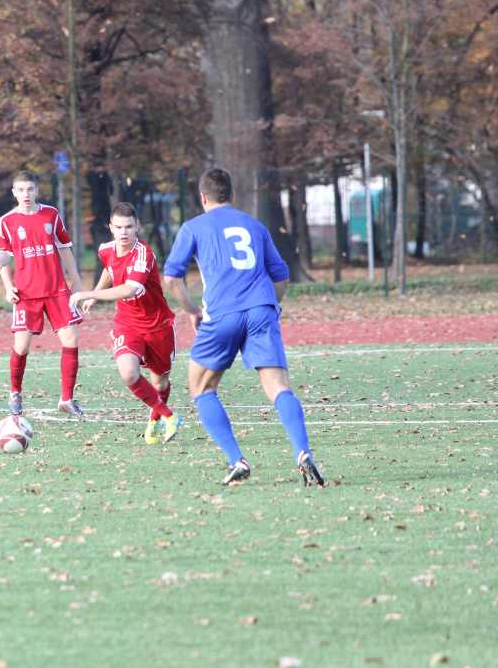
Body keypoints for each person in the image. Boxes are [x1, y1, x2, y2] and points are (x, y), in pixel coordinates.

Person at [162, 167, 324, 487]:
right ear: (231, 196)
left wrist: (193, 310)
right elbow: (281, 276)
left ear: (203, 197)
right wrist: (271, 308)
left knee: (201, 388)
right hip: (261, 310)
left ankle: (237, 460)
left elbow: (171, 279)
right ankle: (303, 452)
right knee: (279, 387)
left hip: (222, 313)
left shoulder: (193, 227)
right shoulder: (254, 225)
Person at [69, 202, 182, 444]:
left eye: (129, 227)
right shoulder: (106, 249)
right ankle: (169, 416)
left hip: (157, 324)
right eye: (118, 227)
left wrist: (89, 295)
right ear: (111, 227)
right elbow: (109, 270)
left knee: (160, 381)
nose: (124, 232)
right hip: (127, 324)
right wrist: (98, 291)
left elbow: (130, 289)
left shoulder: (144, 254)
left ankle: (154, 420)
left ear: (137, 226)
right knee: (129, 373)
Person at [0, 170, 85, 418]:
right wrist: (8, 287)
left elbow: (65, 249)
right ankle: (14, 392)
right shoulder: (7, 221)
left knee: (71, 340)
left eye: (30, 189)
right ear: (14, 193)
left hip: (56, 290)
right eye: (20, 190)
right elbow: (3, 258)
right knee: (21, 347)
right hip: (26, 293)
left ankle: (66, 399)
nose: (26, 194)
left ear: (37, 190)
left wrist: (76, 281)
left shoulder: (51, 214)